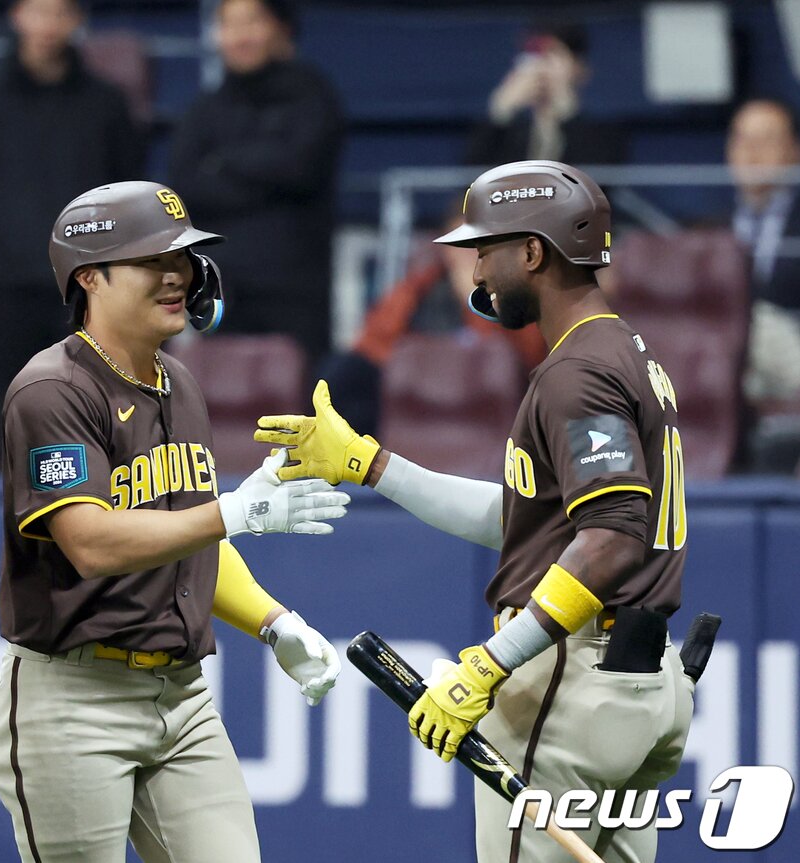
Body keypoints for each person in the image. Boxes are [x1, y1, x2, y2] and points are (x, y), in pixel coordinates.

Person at [258, 161, 692, 863]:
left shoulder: (577, 370)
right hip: (638, 682)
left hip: (569, 683)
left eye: (486, 249)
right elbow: (534, 521)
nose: (478, 272)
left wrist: (490, 663)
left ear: (532, 252)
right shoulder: (622, 350)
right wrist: (375, 466)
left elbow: (611, 537)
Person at [0, 180, 348, 862]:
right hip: (74, 698)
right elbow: (88, 541)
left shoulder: (180, 381)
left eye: (183, 257)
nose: (178, 273)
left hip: (182, 697)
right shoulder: (52, 387)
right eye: (153, 259)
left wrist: (273, 621)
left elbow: (187, 534)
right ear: (90, 277)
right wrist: (236, 510)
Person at [0, 0, 142, 462]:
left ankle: (95, 529)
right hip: (0, 291)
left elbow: (131, 204)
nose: (49, 24)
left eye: (61, 12)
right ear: (17, 15)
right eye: (38, 10)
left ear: (79, 20)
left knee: (96, 422)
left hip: (89, 291)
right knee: (7, 426)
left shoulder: (106, 104)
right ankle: (8, 529)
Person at [168, 0, 342, 364]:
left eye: (251, 22)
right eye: (228, 25)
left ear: (281, 28)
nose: (239, 36)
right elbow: (183, 184)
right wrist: (264, 174)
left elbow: (300, 168)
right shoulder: (205, 108)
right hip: (220, 288)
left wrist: (223, 163)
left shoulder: (314, 96)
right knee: (218, 410)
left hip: (294, 292)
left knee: (298, 413)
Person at [322, 205, 546, 436]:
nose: (468, 253)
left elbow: (518, 358)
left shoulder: (515, 291)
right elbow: (372, 341)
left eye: (477, 245)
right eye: (460, 244)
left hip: (476, 385)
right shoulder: (423, 284)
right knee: (343, 373)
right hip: (420, 379)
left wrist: (475, 298)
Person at [727, 99, 800, 422]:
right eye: (742, 139)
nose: (752, 151)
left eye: (766, 139)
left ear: (794, 150)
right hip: (724, 352)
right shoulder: (706, 225)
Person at [466, 21, 626, 167]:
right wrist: (500, 112)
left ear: (580, 67)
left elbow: (597, 184)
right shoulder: (508, 132)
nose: (541, 67)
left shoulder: (605, 131)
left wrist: (568, 116)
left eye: (551, 55)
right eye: (533, 55)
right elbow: (470, 181)